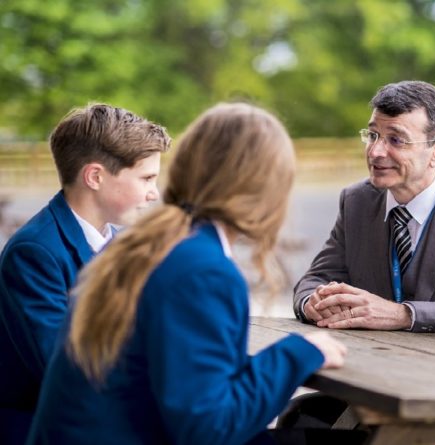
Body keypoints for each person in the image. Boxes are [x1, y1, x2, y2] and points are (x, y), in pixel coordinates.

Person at [27, 103, 349, 444]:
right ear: (263, 190)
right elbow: (209, 429)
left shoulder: (139, 244)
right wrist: (299, 352)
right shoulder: (203, 271)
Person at [0, 104, 170, 443]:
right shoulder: (35, 252)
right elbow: (64, 369)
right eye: (146, 178)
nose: (154, 193)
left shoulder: (122, 241)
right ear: (95, 177)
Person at [293, 80, 435, 340]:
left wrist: (404, 315)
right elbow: (315, 280)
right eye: (372, 135)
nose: (375, 151)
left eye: (396, 140)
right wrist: (315, 304)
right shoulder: (356, 200)